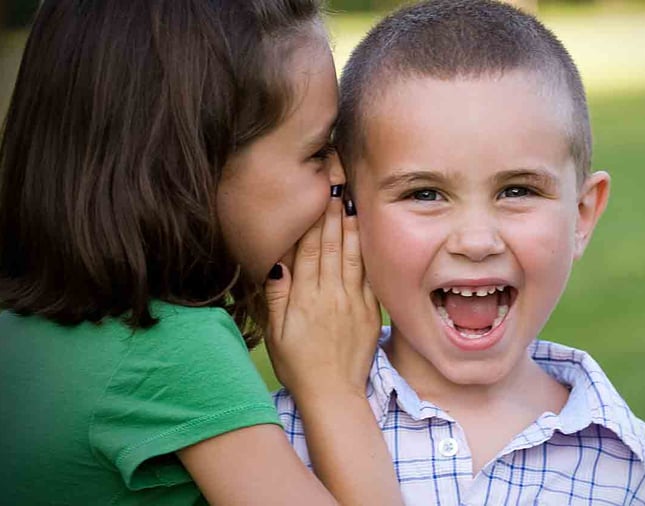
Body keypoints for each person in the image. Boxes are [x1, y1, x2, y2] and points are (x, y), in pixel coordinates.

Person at [274, 0, 645, 504]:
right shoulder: (279, 441)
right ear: (348, 208)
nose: (476, 241)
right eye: (425, 194)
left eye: (517, 191)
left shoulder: (637, 475)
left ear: (582, 215)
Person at [0, 0, 402, 504]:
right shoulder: (168, 351)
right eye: (318, 152)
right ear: (189, 170)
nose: (341, 175)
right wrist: (332, 387)